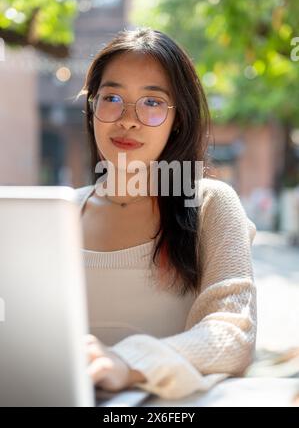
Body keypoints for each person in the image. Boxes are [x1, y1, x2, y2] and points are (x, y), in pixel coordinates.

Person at [75, 27, 257, 400]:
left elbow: (233, 333)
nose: (128, 119)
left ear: (178, 119)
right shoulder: (57, 214)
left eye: (153, 103)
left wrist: (129, 363)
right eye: (111, 97)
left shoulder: (209, 203)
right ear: (92, 107)